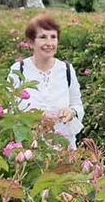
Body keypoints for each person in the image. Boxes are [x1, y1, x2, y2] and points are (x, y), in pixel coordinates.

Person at [7, 14, 84, 149]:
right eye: (43, 37)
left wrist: (71, 112)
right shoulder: (18, 70)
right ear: (31, 42)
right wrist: (37, 117)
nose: (49, 43)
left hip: (63, 147)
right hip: (29, 148)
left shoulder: (66, 69)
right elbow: (10, 110)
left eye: (53, 37)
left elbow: (77, 104)